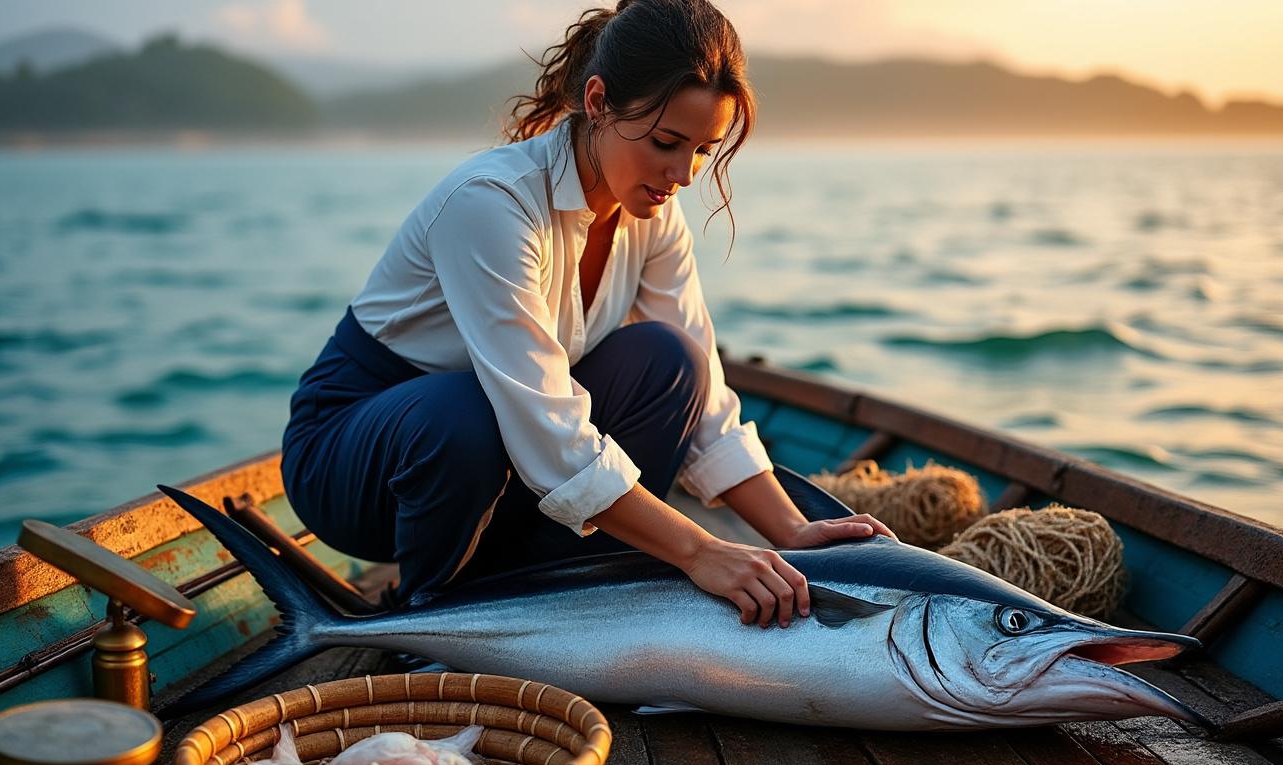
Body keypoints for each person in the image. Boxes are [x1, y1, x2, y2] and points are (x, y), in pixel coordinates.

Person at [281, 0, 895, 630]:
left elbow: (705, 399)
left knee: (670, 360)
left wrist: (789, 527)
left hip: (502, 456)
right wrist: (700, 550)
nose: (681, 174)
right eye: (665, 142)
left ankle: (555, 589)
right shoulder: (491, 204)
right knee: (466, 412)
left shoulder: (654, 218)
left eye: (703, 150)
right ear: (597, 102)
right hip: (356, 461)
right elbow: (542, 423)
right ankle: (430, 613)